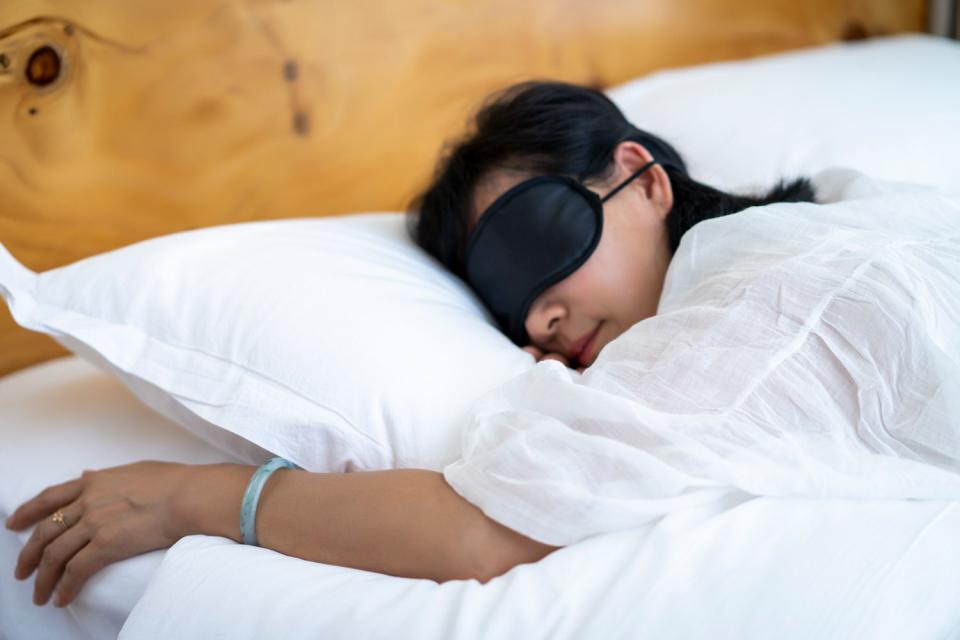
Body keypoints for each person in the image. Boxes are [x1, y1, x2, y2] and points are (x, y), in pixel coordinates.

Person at [8, 80, 959, 611]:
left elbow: (486, 530)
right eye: (510, 308)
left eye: (536, 244)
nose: (541, 324)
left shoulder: (762, 282)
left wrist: (195, 495)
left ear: (644, 178)